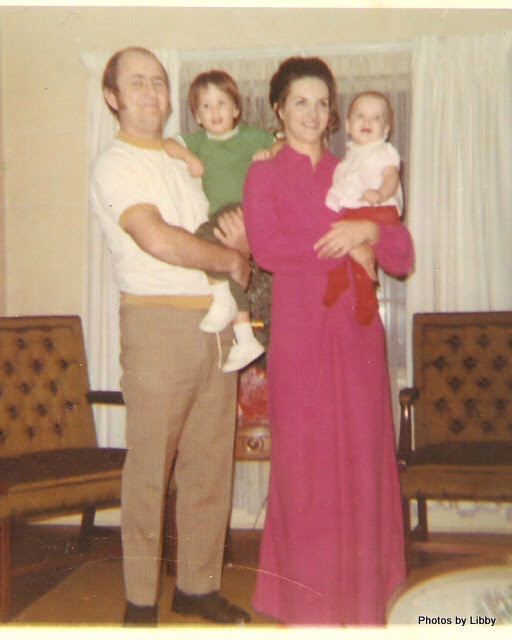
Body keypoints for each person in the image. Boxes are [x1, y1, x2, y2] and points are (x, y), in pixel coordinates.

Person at [243, 56, 414, 626]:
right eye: (300, 102)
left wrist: (368, 229)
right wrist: (344, 242)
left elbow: (402, 253)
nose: (313, 113)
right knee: (306, 470)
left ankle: (363, 605)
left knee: (363, 464)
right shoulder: (265, 173)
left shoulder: (357, 167)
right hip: (300, 338)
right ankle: (309, 609)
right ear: (279, 109)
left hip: (358, 334)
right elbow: (268, 250)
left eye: (322, 103)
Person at [90, 46, 252, 627]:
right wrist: (229, 260)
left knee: (209, 463)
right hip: (157, 321)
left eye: (159, 81)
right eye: (137, 82)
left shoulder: (184, 157)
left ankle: (197, 588)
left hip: (216, 320)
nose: (152, 92)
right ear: (112, 97)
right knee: (150, 467)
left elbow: (217, 227)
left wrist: (239, 243)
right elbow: (156, 238)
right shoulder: (114, 165)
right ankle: (140, 601)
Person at [162, 70, 282, 372]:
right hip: (222, 215)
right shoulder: (200, 141)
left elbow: (284, 142)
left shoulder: (250, 137)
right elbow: (167, 144)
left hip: (245, 211)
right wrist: (189, 157)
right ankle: (245, 337)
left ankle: (222, 300)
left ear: (236, 109)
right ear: (198, 117)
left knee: (200, 243)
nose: (214, 111)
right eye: (206, 106)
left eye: (221, 103)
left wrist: (270, 151)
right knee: (217, 257)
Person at [323, 90, 403, 325]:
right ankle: (338, 280)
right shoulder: (348, 160)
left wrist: (381, 193)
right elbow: (342, 189)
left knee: (355, 252)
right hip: (357, 212)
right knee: (337, 240)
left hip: (379, 210)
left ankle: (367, 299)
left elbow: (392, 178)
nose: (367, 122)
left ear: (385, 130)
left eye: (376, 118)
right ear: (348, 126)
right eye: (360, 116)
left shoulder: (383, 151)